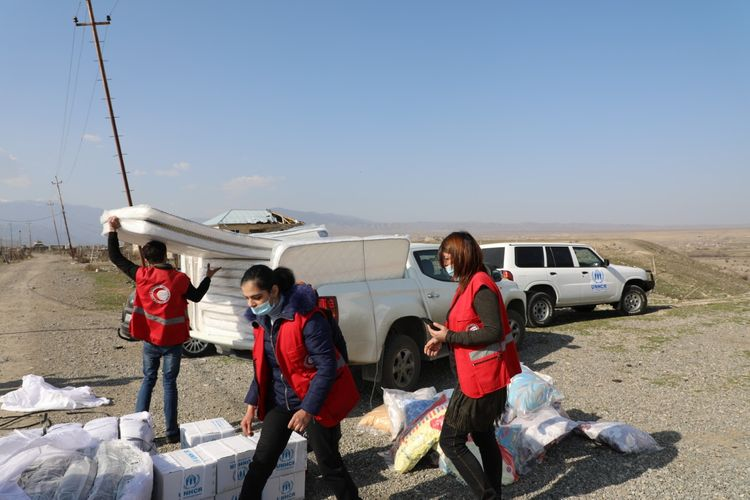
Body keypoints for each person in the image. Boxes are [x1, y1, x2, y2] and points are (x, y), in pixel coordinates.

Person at [238, 265, 360, 500]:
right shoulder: (262, 322)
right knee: (261, 462)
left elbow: (326, 367)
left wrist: (308, 410)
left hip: (314, 401)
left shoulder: (307, 319)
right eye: (247, 298)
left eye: (256, 297)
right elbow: (264, 367)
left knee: (329, 465)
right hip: (280, 400)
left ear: (273, 291)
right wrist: (251, 405)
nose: (251, 304)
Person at [424, 231, 522, 499]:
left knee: (451, 441)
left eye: (447, 259)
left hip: (481, 380)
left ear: (462, 256)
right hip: (474, 376)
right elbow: (467, 326)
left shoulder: (480, 286)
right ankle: (494, 495)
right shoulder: (468, 283)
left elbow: (493, 331)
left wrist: (449, 337)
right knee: (482, 435)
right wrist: (443, 340)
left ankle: (487, 496)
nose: (445, 265)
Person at [107, 216, 220, 443]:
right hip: (173, 342)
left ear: (147, 260)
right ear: (166, 254)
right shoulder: (179, 279)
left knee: (148, 380)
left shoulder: (142, 275)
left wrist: (113, 231)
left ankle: (136, 431)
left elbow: (115, 257)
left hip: (150, 341)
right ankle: (171, 434)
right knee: (169, 384)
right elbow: (196, 296)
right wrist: (207, 278)